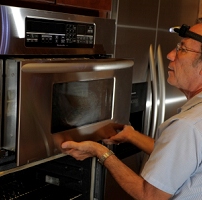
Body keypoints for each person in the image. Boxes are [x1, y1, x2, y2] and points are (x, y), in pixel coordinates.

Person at [61, 21, 202, 200]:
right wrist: (131, 136)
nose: (169, 55)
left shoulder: (187, 126)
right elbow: (179, 158)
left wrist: (101, 152)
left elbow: (149, 195)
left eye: (182, 49)